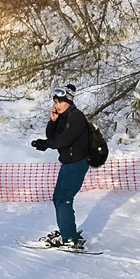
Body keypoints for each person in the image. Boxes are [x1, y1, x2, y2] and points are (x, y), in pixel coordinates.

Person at [30, 84, 90, 250]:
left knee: (64, 198)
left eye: (60, 102)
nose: (57, 105)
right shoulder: (64, 117)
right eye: (55, 102)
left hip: (77, 164)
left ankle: (70, 238)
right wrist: (52, 121)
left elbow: (64, 140)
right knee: (58, 198)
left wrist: (46, 144)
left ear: (68, 101)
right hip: (68, 163)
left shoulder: (77, 117)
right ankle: (66, 231)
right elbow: (53, 136)